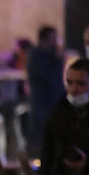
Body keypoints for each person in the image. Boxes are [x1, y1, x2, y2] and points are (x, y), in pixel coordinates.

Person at [26, 25, 65, 154]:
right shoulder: (37, 57)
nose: (56, 41)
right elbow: (50, 77)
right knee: (41, 139)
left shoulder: (50, 55)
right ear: (44, 39)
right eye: (53, 38)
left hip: (53, 102)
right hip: (42, 103)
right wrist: (58, 60)